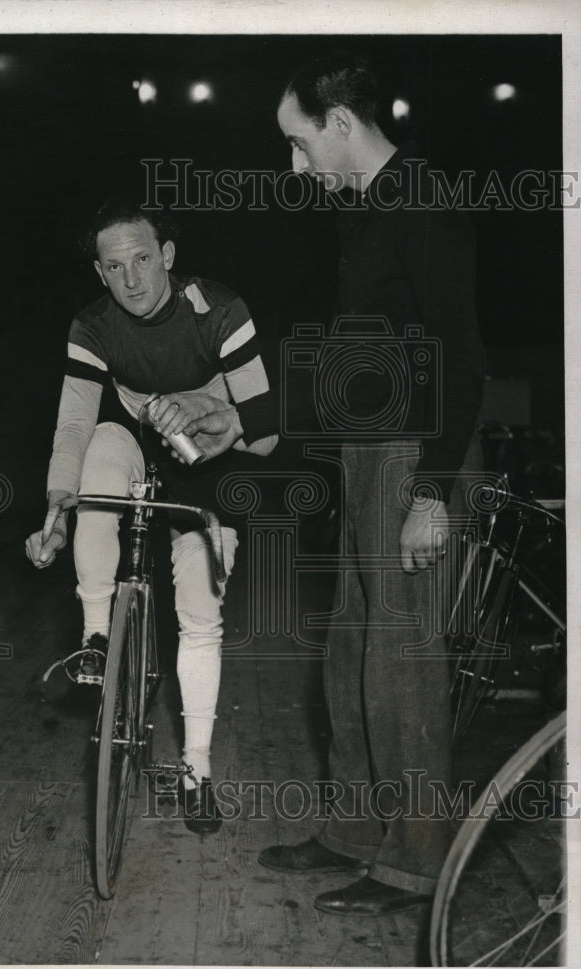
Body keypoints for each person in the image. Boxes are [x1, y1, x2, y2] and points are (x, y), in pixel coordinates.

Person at [173, 51, 486, 914]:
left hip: (415, 457)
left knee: (403, 665)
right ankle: (354, 830)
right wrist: (246, 413)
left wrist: (431, 490)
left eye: (299, 144)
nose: (294, 165)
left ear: (341, 125)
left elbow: (462, 357)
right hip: (364, 452)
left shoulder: (423, 202)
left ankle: (418, 863)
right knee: (351, 653)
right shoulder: (365, 213)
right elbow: (352, 360)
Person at [25, 199, 277, 834]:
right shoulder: (93, 324)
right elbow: (75, 424)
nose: (132, 278)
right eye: (116, 266)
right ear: (100, 273)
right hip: (137, 450)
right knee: (104, 444)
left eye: (143, 259)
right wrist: (57, 508)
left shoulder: (221, 310)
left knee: (199, 612)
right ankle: (96, 637)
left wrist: (203, 403)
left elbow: (267, 436)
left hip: (212, 465)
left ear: (167, 256)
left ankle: (196, 769)